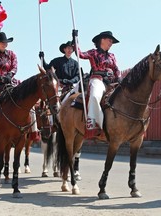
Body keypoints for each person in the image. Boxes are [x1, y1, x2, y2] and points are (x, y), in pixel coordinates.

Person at [40, 41, 82, 179]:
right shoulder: (57, 61)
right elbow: (48, 69)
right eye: (68, 48)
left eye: (71, 48)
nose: (70, 50)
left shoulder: (76, 63)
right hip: (61, 87)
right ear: (64, 49)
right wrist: (43, 58)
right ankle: (52, 122)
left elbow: (78, 75)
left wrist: (72, 81)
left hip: (73, 87)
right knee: (54, 103)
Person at [73, 30, 124, 139]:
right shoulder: (93, 53)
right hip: (97, 79)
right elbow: (80, 54)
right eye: (110, 40)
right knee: (95, 97)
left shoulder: (112, 55)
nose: (111, 43)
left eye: (112, 42)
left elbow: (116, 69)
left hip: (111, 82)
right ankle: (95, 125)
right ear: (102, 40)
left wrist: (119, 78)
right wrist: (75, 40)